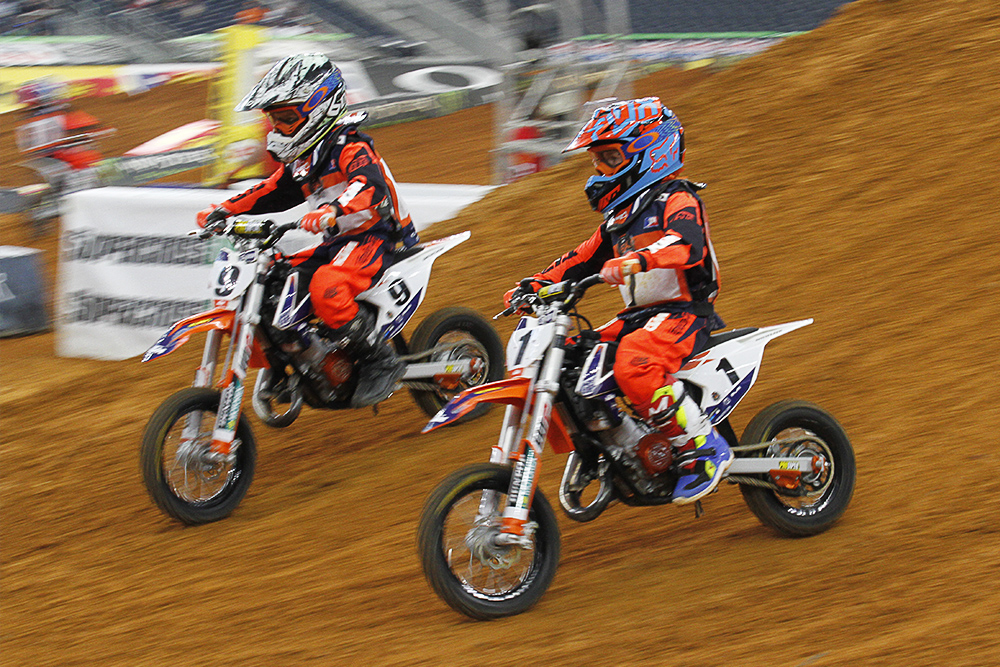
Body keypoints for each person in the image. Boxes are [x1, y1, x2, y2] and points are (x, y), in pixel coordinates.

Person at [503, 96, 732, 504]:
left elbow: (687, 244)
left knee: (635, 363)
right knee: (570, 361)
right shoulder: (620, 219)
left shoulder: (676, 199)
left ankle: (703, 449)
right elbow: (578, 260)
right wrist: (534, 285)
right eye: (597, 162)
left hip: (683, 315)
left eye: (609, 158)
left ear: (650, 153)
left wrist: (638, 259)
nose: (599, 172)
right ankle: (619, 447)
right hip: (638, 317)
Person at [197, 53, 419, 408]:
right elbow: (271, 190)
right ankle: (297, 358)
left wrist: (333, 210)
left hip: (379, 238)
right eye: (274, 120)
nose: (277, 129)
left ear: (320, 108)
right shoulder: (305, 158)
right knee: (273, 281)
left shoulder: (350, 146)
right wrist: (224, 210)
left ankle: (380, 359)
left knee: (326, 286)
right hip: (338, 243)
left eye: (286, 118)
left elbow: (369, 186)